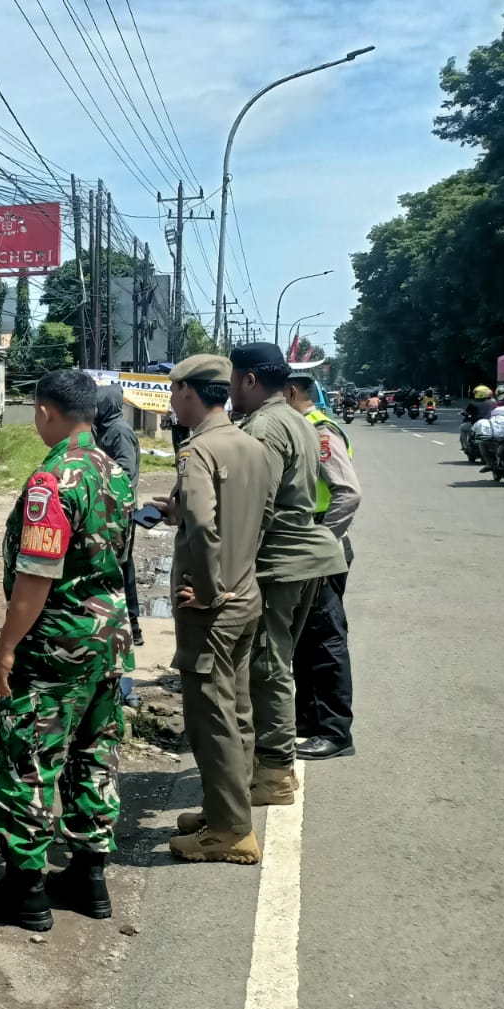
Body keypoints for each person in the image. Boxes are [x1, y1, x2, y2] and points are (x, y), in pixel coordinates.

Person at [0, 369, 133, 932]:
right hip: (107, 643)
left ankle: (26, 890)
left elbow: (35, 577)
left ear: (44, 412)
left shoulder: (52, 480)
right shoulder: (114, 471)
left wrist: (5, 649)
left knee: (27, 761)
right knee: (93, 755)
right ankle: (89, 878)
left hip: (55, 648)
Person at [155, 355, 277, 865]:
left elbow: (206, 529)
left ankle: (230, 832)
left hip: (213, 607)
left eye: (174, 389)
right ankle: (225, 809)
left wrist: (206, 590)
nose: (170, 400)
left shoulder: (198, 451)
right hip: (246, 596)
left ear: (190, 392)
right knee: (239, 712)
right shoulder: (252, 445)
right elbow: (261, 514)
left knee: (212, 719)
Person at [228, 344, 346, 808]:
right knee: (277, 662)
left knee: (267, 664)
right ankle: (272, 766)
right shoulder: (298, 418)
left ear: (251, 381)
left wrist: (231, 569)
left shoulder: (263, 426)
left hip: (279, 562)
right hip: (306, 557)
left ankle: (274, 772)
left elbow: (257, 503)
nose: (231, 390)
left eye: (235, 380)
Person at [285, 374, 362, 761]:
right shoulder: (301, 428)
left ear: (293, 392)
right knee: (307, 637)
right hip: (308, 543)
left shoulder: (320, 431)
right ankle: (311, 722)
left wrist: (323, 540)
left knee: (326, 639)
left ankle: (334, 731)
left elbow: (348, 493)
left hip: (319, 542)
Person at [92, 384, 143, 646]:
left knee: (122, 566)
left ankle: (132, 625)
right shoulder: (104, 430)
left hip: (120, 510)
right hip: (108, 508)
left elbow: (123, 470)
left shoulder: (119, 432)